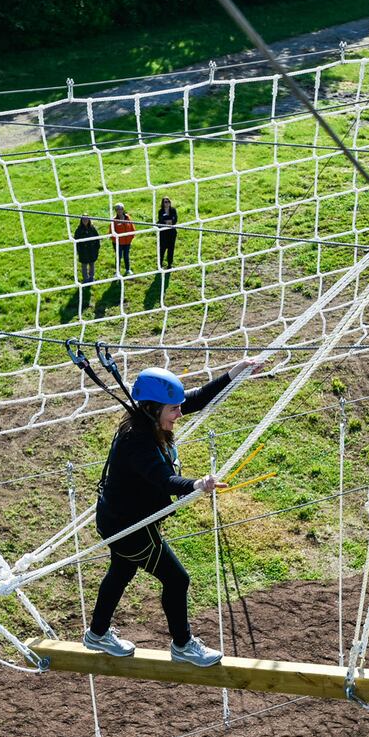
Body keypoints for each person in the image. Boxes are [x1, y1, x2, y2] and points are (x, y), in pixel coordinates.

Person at [83, 356, 265, 666]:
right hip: (130, 528)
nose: (179, 414)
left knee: (122, 570)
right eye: (173, 410)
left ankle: (97, 634)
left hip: (118, 519)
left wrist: (236, 371)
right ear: (154, 410)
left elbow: (197, 398)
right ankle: (182, 645)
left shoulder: (147, 420)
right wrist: (196, 484)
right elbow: (162, 478)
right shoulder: (135, 440)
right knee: (177, 579)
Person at [110, 204, 136, 275]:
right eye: (117, 209)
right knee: (118, 257)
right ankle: (117, 272)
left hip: (127, 242)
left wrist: (130, 238)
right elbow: (111, 232)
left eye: (120, 209)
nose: (119, 211)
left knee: (126, 256)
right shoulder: (114, 220)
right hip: (118, 243)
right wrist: (116, 241)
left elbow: (132, 229)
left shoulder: (128, 218)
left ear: (123, 209)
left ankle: (128, 269)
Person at [74, 216, 101, 283]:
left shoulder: (92, 228)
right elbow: (76, 241)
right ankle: (85, 279)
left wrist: (97, 248)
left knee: (92, 264)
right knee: (84, 265)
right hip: (83, 251)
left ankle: (91, 278)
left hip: (92, 250)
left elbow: (97, 238)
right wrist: (78, 250)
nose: (85, 221)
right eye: (83, 220)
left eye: (86, 219)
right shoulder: (79, 230)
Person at [156, 197, 179, 270]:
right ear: (162, 203)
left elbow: (175, 219)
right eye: (165, 202)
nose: (167, 203)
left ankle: (170, 264)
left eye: (168, 201)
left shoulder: (173, 210)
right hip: (163, 232)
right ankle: (160, 264)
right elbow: (161, 220)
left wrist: (168, 221)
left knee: (171, 248)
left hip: (172, 232)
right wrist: (168, 222)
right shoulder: (161, 211)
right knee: (162, 249)